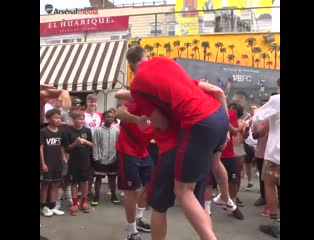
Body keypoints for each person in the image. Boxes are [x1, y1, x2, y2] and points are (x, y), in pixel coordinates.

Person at [120, 46, 230, 240]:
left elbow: (160, 122)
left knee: (177, 195)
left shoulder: (138, 85)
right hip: (218, 119)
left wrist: (146, 119)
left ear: (131, 66)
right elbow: (216, 90)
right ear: (149, 56)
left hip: (185, 138)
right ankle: (224, 205)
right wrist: (226, 127)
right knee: (197, 200)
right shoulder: (167, 63)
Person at [116, 100, 154, 240]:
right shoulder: (136, 100)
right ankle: (131, 232)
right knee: (132, 191)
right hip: (127, 151)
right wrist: (137, 120)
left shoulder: (160, 107)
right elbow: (119, 113)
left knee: (148, 186)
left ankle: (139, 219)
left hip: (143, 152)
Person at [253, 79, 280, 238]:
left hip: (276, 153)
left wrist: (257, 112)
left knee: (270, 185)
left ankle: (274, 222)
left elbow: (257, 118)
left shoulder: (276, 99)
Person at [62, 110, 94, 216]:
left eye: (83, 118)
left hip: (85, 161)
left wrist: (84, 141)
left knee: (85, 182)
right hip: (74, 161)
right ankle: (75, 204)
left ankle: (84, 202)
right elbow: (67, 148)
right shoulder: (67, 131)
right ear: (73, 120)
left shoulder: (87, 130)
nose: (82, 121)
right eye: (79, 119)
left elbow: (92, 144)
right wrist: (75, 143)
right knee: (74, 183)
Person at [40, 109, 66, 217]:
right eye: (55, 117)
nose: (58, 120)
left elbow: (61, 146)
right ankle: (44, 207)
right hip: (47, 163)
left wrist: (63, 157)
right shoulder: (43, 131)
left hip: (57, 163)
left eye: (59, 117)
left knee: (55, 184)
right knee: (45, 185)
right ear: (48, 119)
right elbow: (40, 148)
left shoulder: (61, 131)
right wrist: (43, 163)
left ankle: (53, 206)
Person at [91, 110, 120, 206]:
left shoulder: (116, 130)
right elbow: (95, 145)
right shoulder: (98, 130)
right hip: (100, 159)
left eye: (112, 117)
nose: (110, 119)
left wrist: (116, 157)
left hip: (113, 159)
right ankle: (96, 196)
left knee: (112, 178)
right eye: (108, 117)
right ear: (103, 118)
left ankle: (113, 195)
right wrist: (96, 158)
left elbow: (118, 145)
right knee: (98, 178)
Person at [83, 94, 103, 198]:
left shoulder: (99, 115)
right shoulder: (82, 114)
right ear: (87, 102)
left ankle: (89, 189)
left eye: (94, 102)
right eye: (91, 101)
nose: (93, 104)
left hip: (96, 145)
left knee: (93, 169)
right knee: (85, 168)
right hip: (85, 145)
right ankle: (83, 191)